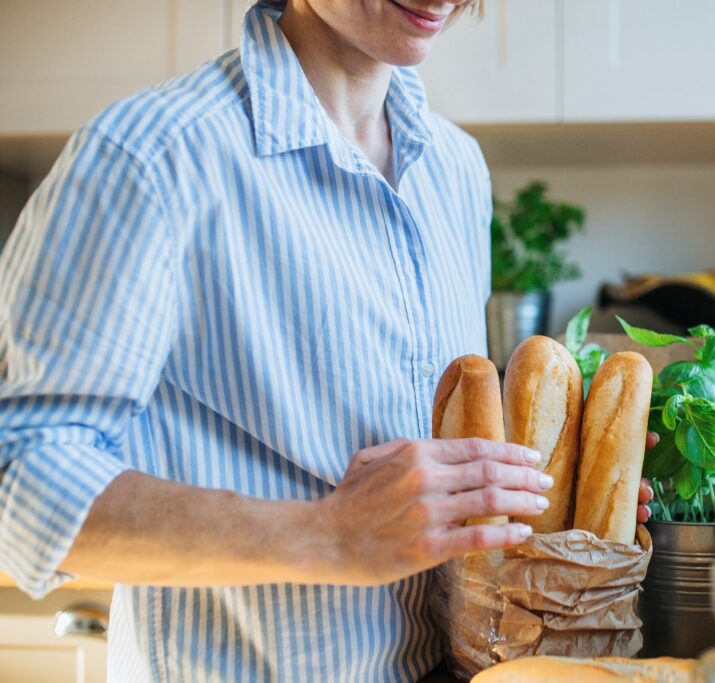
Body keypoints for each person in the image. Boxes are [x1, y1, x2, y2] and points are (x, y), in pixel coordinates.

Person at [0, 1, 654, 680]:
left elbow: (429, 491)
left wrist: (547, 505)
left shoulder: (456, 169)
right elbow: (19, 482)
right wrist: (327, 533)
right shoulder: (151, 157)